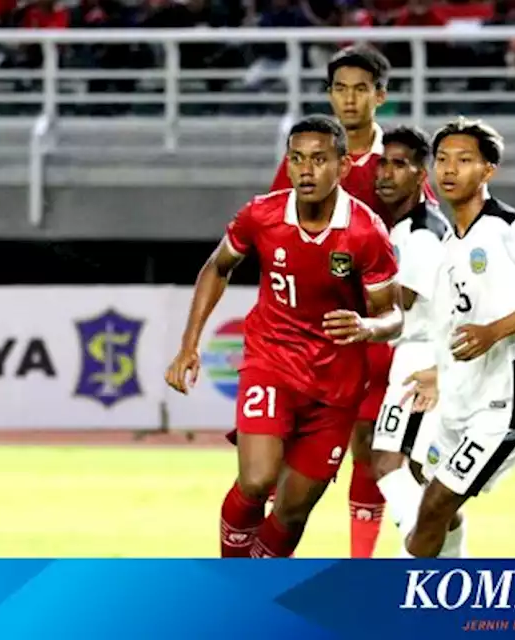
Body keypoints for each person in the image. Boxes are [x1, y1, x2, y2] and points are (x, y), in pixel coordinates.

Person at [166, 115, 403, 558]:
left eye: (319, 159)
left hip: (336, 385)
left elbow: (394, 316)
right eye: (297, 159)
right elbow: (218, 267)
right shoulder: (262, 214)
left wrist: (369, 327)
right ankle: (233, 586)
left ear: (343, 167)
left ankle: (257, 586)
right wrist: (188, 345)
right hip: (271, 363)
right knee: (256, 481)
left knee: (292, 512)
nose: (306, 170)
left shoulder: (366, 232)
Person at [267, 45, 434, 558]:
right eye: (340, 87)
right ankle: (264, 560)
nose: (350, 98)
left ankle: (361, 563)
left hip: (373, 331)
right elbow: (275, 232)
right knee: (277, 458)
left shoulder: (395, 164)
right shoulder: (306, 159)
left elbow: (423, 236)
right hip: (305, 336)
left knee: (368, 447)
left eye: (361, 88)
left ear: (380, 96)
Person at [401, 117, 515, 557]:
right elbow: (455, 324)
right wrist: (437, 371)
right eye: (442, 160)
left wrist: (494, 332)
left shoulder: (512, 228)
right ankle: (450, 585)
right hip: (461, 399)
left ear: (488, 170)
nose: (450, 170)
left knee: (434, 505)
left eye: (464, 160)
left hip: (508, 402)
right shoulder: (447, 244)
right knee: (424, 477)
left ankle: (391, 608)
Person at [366, 126, 465, 556]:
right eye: (382, 163)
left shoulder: (422, 232)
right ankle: (454, 559)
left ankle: (414, 556)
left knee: (388, 463)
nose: (386, 173)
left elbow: (397, 302)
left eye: (399, 164)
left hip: (422, 356)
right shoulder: (409, 226)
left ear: (421, 172)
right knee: (425, 475)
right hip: (427, 354)